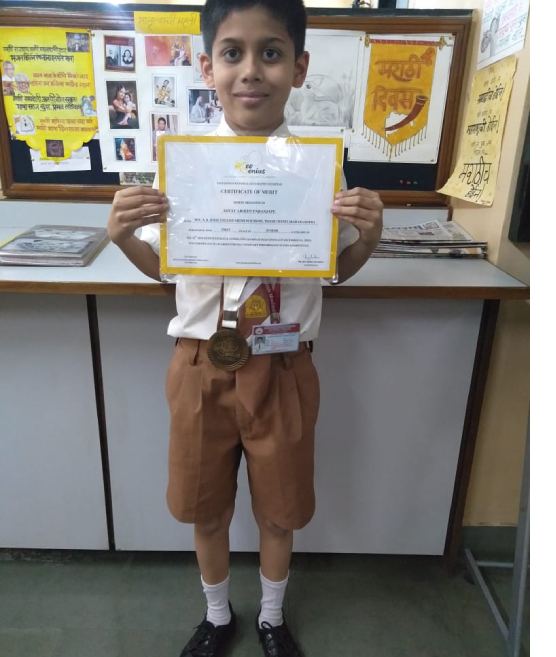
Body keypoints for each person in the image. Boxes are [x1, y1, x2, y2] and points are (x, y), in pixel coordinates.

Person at [105, 1, 383, 656]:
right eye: (232, 52)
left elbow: (333, 270)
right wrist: (121, 238)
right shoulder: (185, 163)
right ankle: (216, 613)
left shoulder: (319, 166)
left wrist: (369, 239)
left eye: (271, 52)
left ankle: (271, 616)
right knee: (205, 506)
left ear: (299, 66)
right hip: (202, 359)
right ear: (207, 66)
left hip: (284, 361)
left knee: (280, 508)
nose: (250, 70)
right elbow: (163, 269)